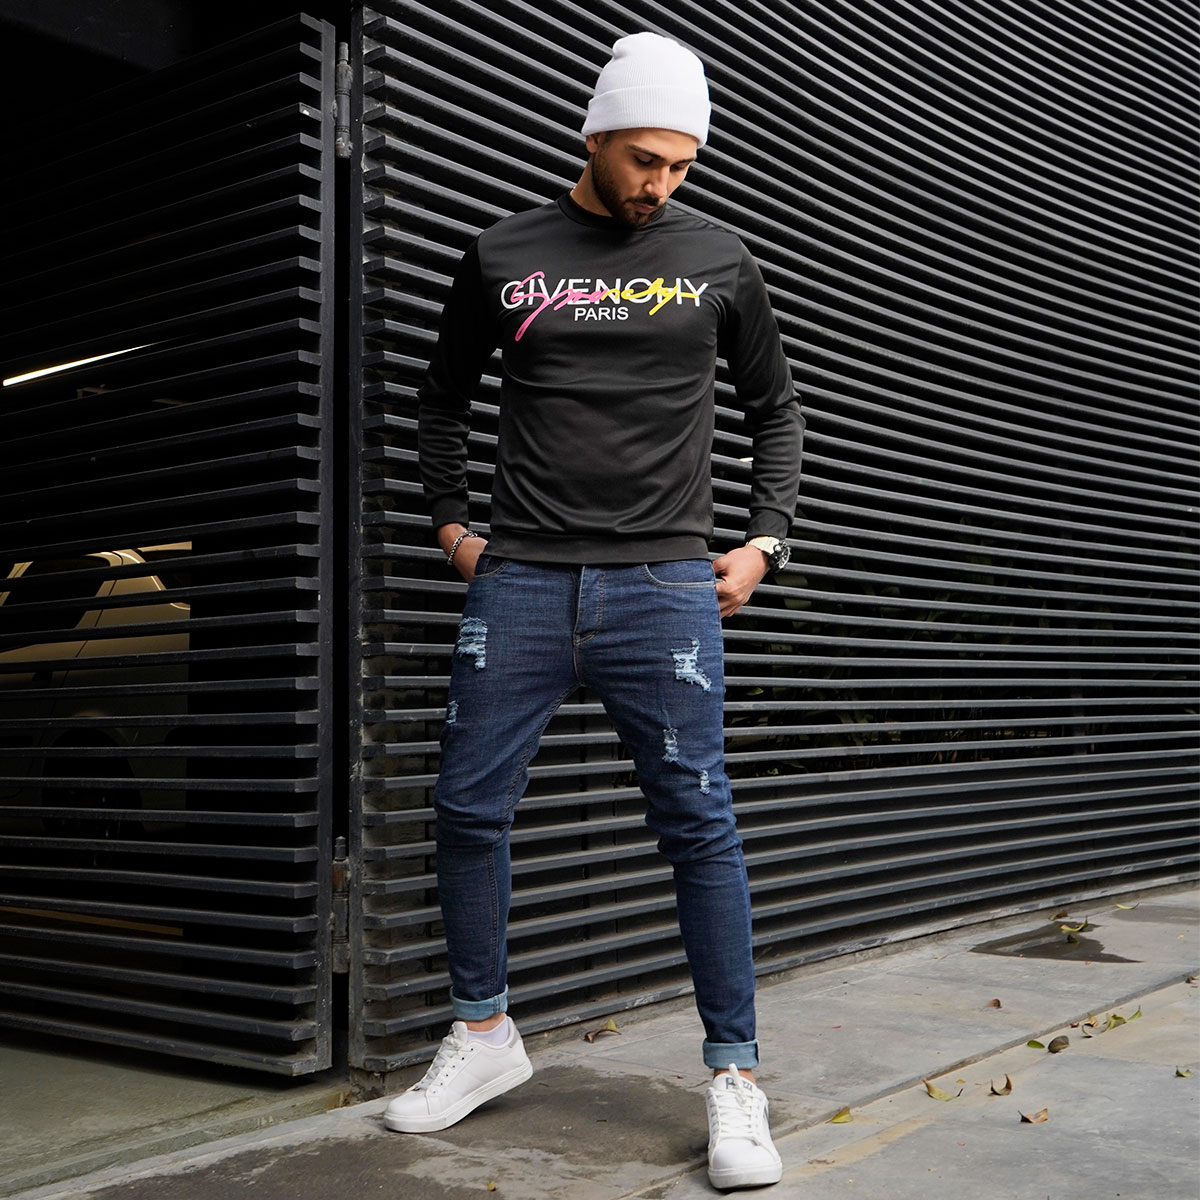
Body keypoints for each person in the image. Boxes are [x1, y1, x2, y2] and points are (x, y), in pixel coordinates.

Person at [384, 31, 803, 1191]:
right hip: (519, 577)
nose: (660, 183)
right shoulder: (503, 254)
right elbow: (439, 402)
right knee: (466, 808)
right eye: (643, 159)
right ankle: (483, 1033)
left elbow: (775, 410)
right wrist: (453, 530)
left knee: (699, 823)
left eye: (680, 165)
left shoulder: (719, 257)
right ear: (596, 136)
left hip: (665, 587)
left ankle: (734, 1076)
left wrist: (763, 541)